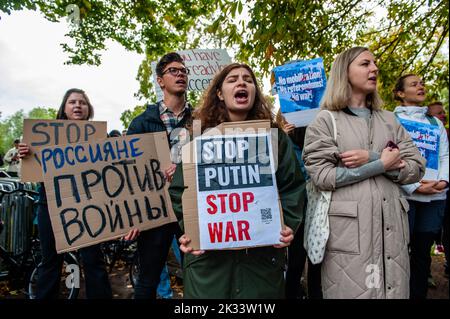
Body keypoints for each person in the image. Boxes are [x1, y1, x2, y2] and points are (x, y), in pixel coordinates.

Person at [168, 63, 306, 298]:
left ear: (254, 92)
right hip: (209, 267)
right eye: (232, 80)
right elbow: (179, 191)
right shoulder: (198, 139)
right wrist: (190, 229)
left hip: (260, 264)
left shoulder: (274, 138)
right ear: (219, 94)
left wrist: (287, 225)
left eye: (248, 80)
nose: (242, 83)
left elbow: (292, 187)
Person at [302, 47, 426, 299]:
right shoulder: (326, 121)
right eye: (365, 64)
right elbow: (323, 177)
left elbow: (416, 168)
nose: (374, 69)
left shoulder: (390, 120)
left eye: (375, 64)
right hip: (349, 237)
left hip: (393, 231)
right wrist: (380, 164)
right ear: (344, 72)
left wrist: (370, 157)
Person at [18, 88, 112, 299]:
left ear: (89, 109)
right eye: (72, 102)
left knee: (93, 260)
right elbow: (34, 167)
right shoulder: (44, 137)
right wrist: (26, 155)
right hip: (51, 205)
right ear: (64, 109)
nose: (78, 105)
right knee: (50, 261)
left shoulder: (100, 138)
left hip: (89, 205)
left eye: (82, 102)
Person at [123, 52, 190, 299]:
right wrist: (132, 215)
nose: (180, 74)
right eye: (173, 70)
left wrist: (181, 169)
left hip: (187, 209)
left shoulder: (201, 121)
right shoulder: (141, 123)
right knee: (148, 279)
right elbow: (128, 172)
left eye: (183, 71)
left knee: (197, 274)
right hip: (154, 211)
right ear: (160, 81)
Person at [393, 76, 449, 299]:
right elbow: (391, 157)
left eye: (422, 83)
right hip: (404, 197)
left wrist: (443, 182)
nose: (421, 86)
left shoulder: (435, 123)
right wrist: (414, 186)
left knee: (422, 254)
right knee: (398, 252)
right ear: (400, 93)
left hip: (434, 198)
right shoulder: (391, 120)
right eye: (414, 84)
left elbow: (445, 155)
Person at [275, 112, 322, 299]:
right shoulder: (281, 140)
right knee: (296, 259)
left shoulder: (316, 140)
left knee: (317, 260)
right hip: (295, 210)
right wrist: (282, 140)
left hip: (317, 208)